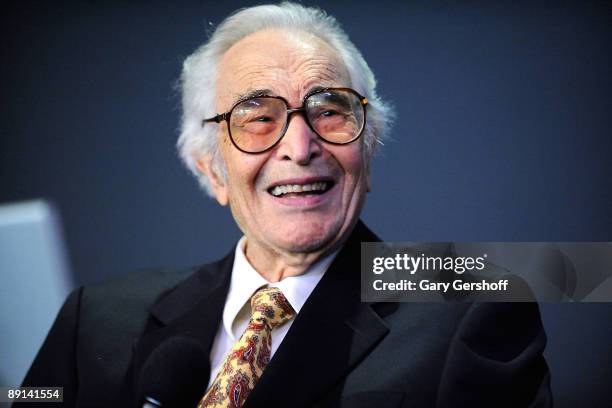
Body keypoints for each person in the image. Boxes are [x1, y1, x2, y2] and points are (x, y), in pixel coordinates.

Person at [20, 2, 551, 407]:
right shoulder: (97, 316)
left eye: (330, 112)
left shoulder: (470, 299)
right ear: (211, 168)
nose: (300, 148)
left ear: (367, 152)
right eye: (257, 118)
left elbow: (581, 273)